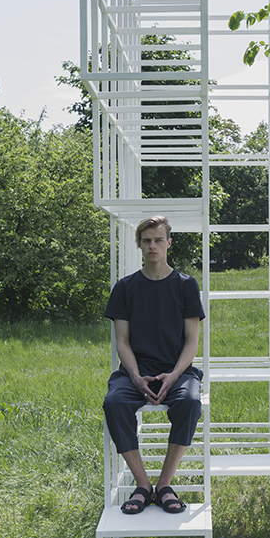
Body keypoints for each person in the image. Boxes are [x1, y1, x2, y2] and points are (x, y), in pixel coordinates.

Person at [103, 215, 204, 515]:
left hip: (177, 370)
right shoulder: (126, 287)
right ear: (139, 245)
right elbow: (122, 341)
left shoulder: (186, 286)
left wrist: (173, 376)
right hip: (136, 370)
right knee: (114, 402)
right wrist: (135, 377)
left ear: (169, 243)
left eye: (158, 240)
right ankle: (143, 485)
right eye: (146, 241)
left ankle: (164, 485)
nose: (152, 246)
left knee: (189, 402)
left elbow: (191, 342)